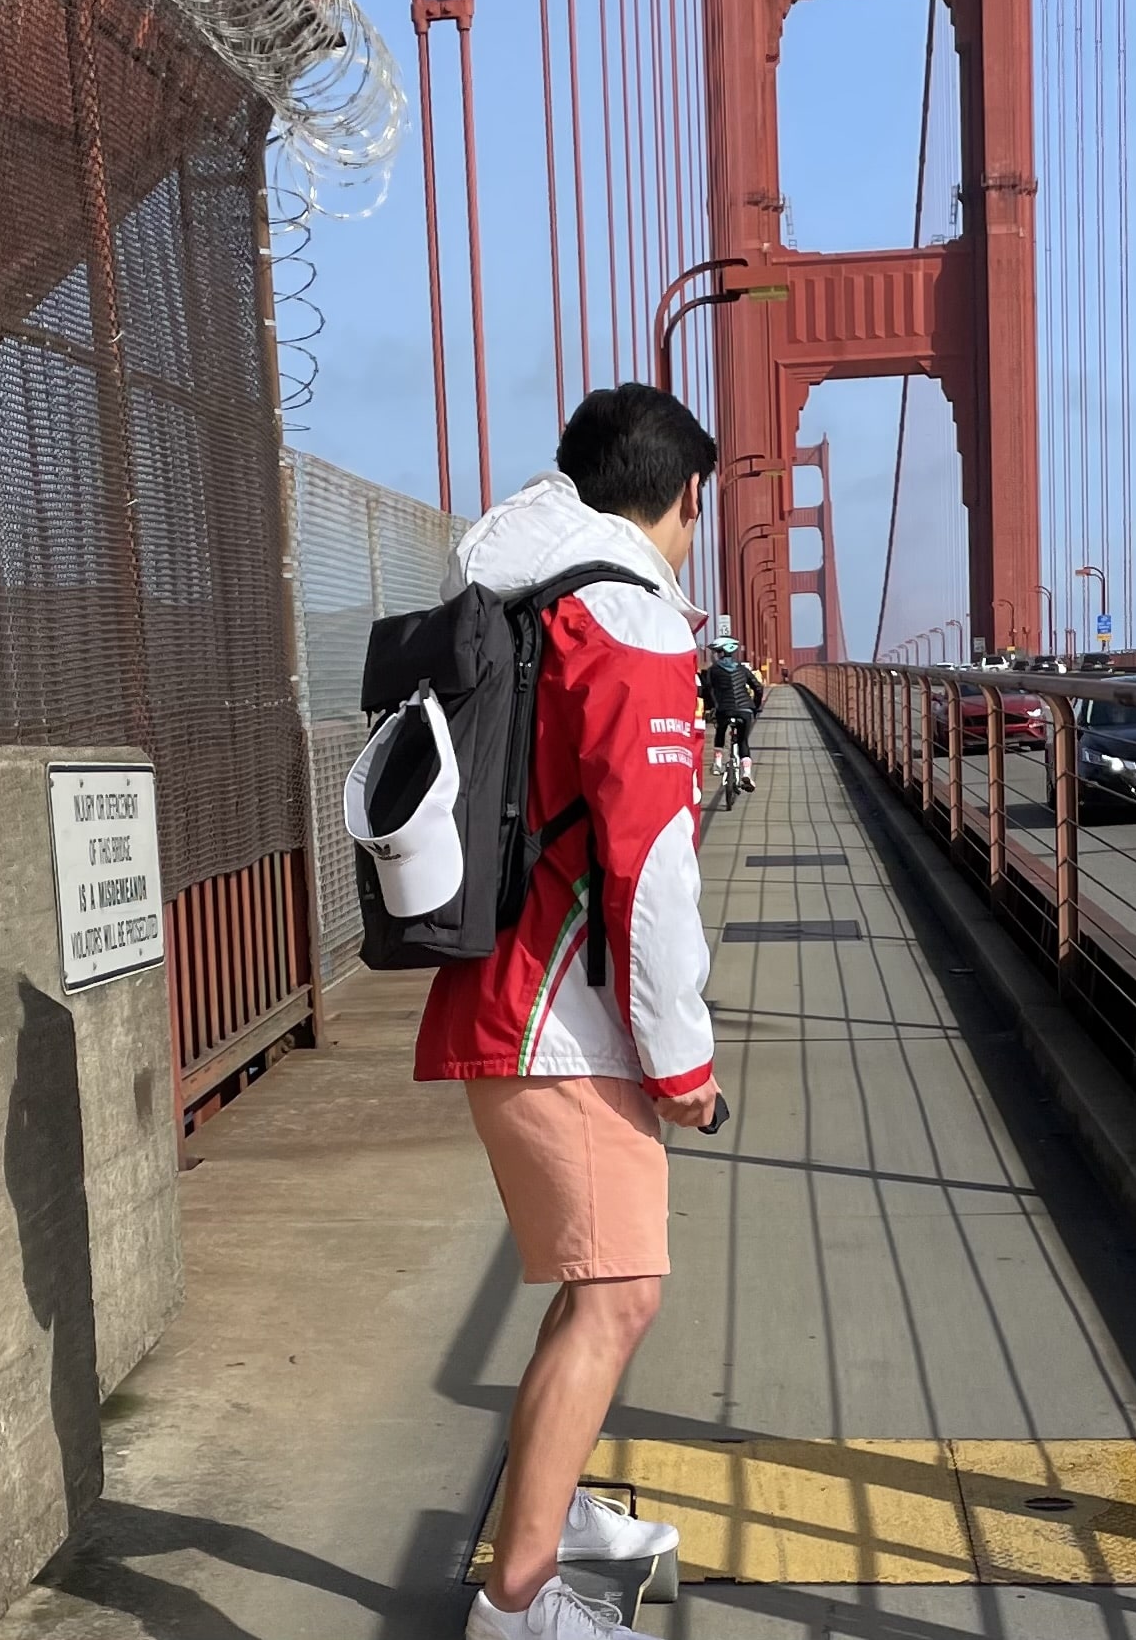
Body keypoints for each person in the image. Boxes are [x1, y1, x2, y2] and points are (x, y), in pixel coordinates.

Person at [415, 383, 720, 1640]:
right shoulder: (628, 618)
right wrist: (685, 1057)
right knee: (618, 1295)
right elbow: (649, 868)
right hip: (563, 1010)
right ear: (682, 498)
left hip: (509, 986)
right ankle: (517, 1602)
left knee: (589, 1280)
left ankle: (554, 1510)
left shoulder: (523, 588)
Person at [702, 636, 763, 791]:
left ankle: (717, 763)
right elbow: (758, 688)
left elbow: (707, 691)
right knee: (743, 741)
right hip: (745, 710)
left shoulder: (713, 670)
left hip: (724, 709)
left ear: (720, 653)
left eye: (716, 652)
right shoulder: (742, 669)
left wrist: (712, 708)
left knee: (721, 731)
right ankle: (747, 774)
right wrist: (755, 706)